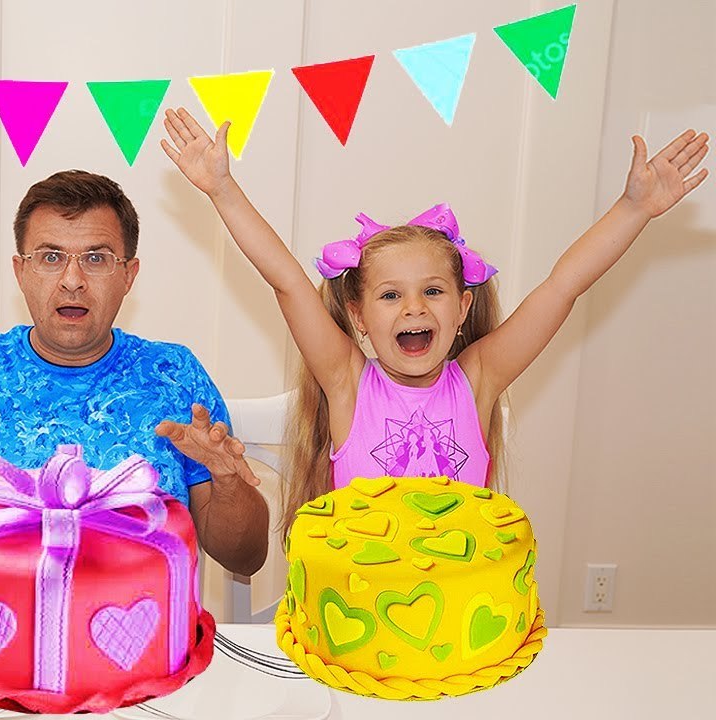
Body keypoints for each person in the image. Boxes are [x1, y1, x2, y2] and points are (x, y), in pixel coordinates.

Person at [159, 106, 708, 537]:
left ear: (463, 308)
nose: (414, 309)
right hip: (361, 614)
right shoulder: (347, 383)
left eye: (434, 292)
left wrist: (633, 209)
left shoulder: (478, 379)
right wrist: (222, 190)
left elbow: (563, 287)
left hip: (456, 621)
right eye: (391, 295)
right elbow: (287, 282)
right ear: (358, 316)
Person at [0, 170, 270, 576]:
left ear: (129, 275)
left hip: (142, 627)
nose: (73, 281)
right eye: (51, 257)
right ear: (20, 272)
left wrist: (228, 482)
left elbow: (244, 558)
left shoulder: (175, 375)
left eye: (96, 258)